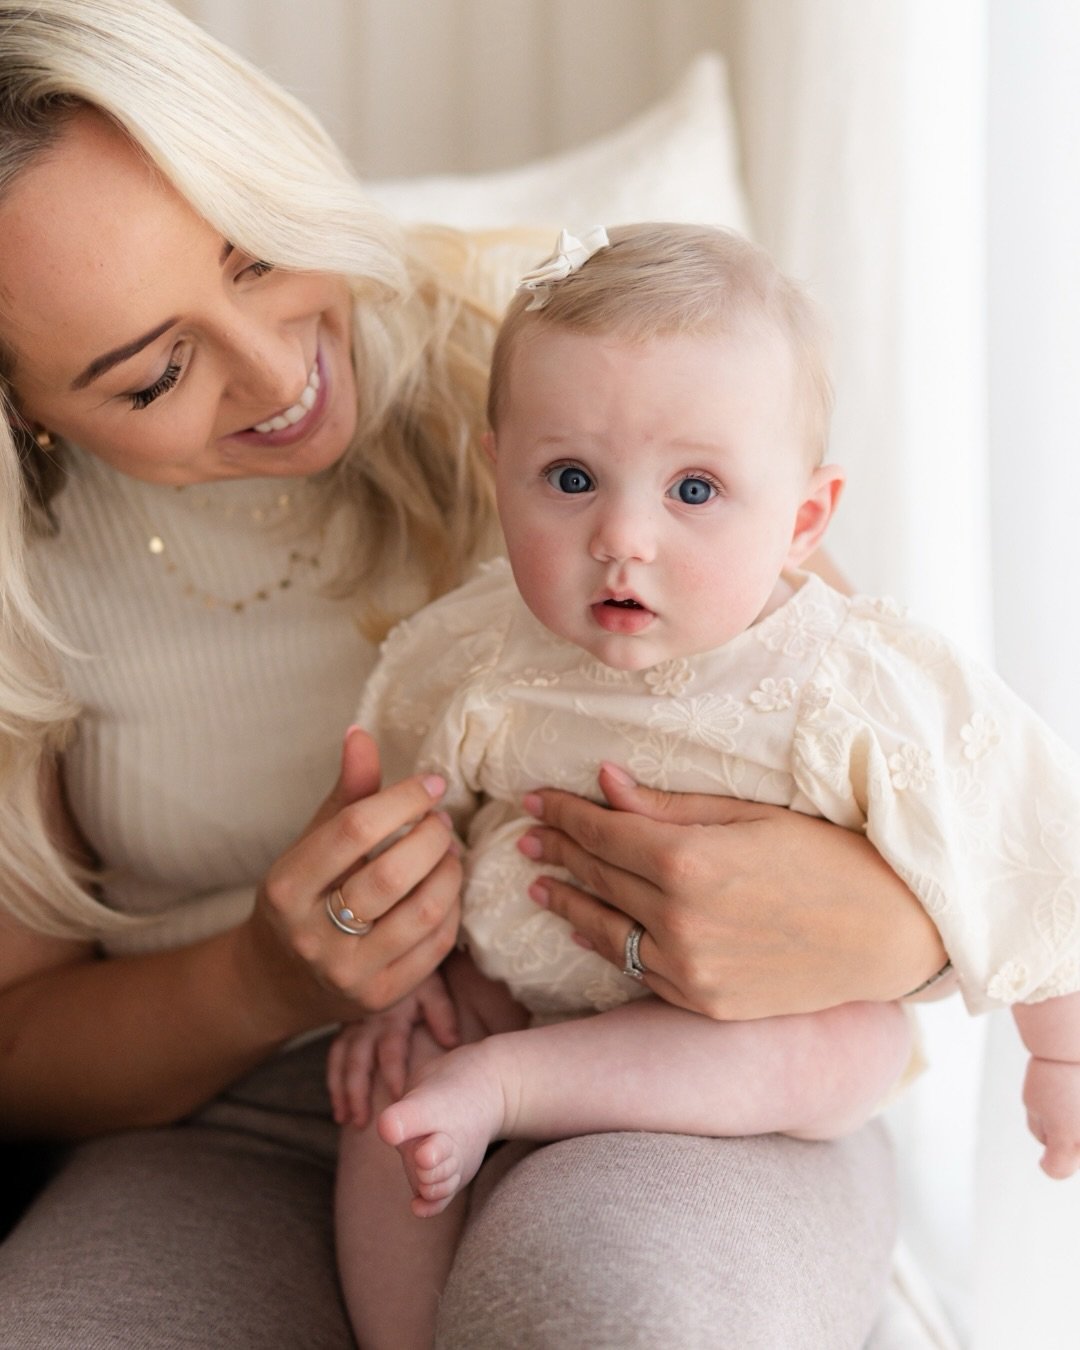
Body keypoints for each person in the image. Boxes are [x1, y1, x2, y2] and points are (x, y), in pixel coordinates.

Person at [0, 3, 952, 1348]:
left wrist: (890, 927)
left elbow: (884, 730)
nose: (276, 371)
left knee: (613, 1309)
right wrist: (270, 983)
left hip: (671, 1066)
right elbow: (18, 1043)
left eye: (261, 254)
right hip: (242, 1122)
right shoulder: (24, 582)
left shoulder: (557, 366)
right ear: (26, 401)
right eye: (154, 376)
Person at [328, 223, 1080, 1349]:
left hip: (742, 1038)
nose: (622, 538)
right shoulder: (476, 651)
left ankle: (513, 1090)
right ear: (500, 473)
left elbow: (1019, 829)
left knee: (850, 1044)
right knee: (385, 1108)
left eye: (695, 489)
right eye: (570, 478)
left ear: (804, 520)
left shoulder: (848, 676)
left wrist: (1059, 1048)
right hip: (510, 994)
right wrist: (395, 986)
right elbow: (389, 827)